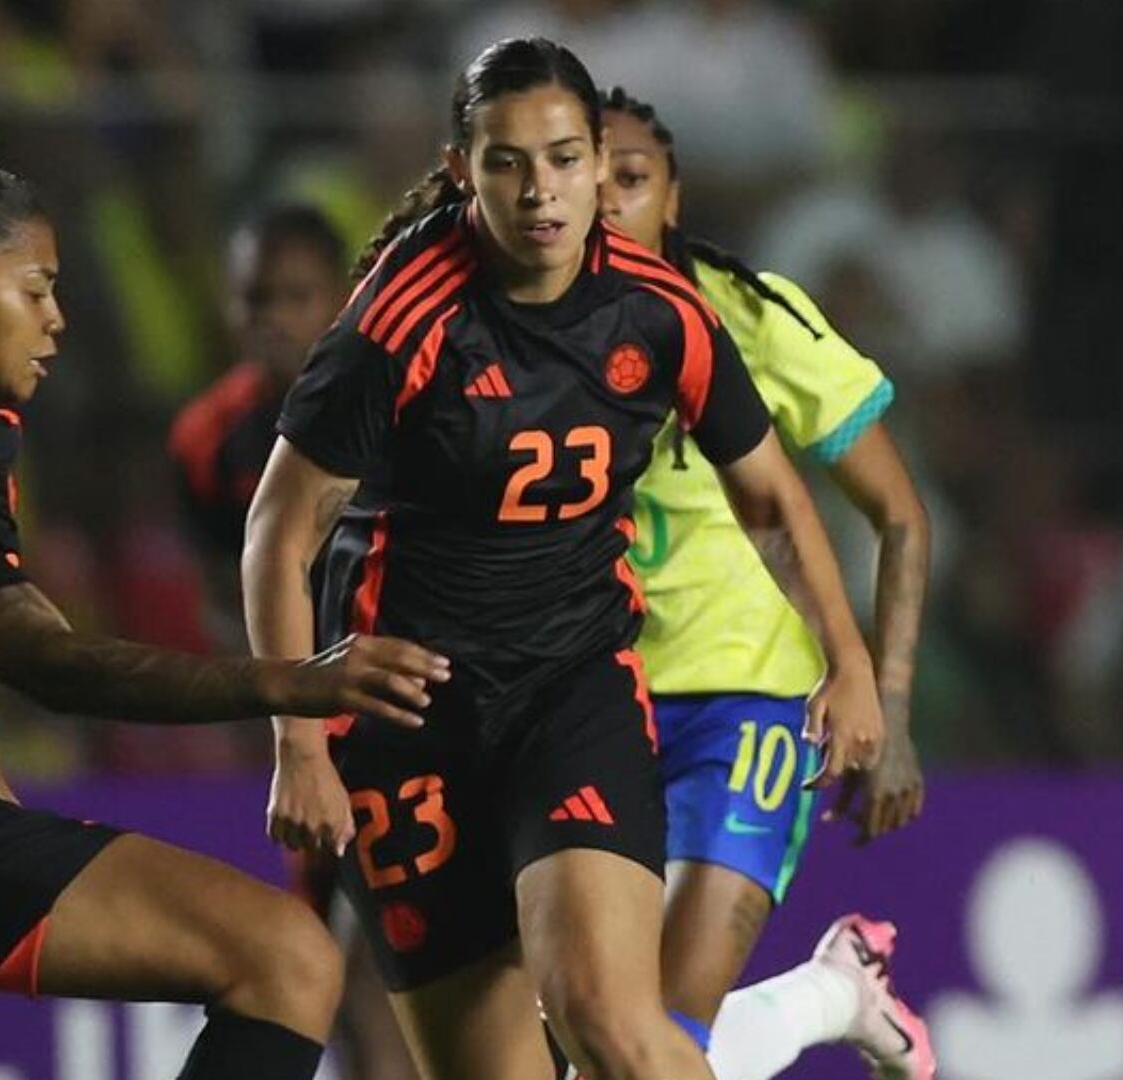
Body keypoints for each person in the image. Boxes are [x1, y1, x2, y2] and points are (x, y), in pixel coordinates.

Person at [243, 38, 883, 1080]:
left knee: (614, 1023)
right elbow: (280, 528)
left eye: (565, 158)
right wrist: (300, 744)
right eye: (507, 162)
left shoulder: (662, 310)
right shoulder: (402, 318)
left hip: (567, 694)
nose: (540, 190)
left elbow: (769, 497)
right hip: (403, 721)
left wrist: (847, 660)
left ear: (597, 161)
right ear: (462, 171)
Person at [0, 79, 448, 1080]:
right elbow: (53, 668)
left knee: (285, 958)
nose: (59, 318)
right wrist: (298, 682)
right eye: (36, 289)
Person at [597, 86, 935, 1080]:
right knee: (599, 1045)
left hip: (749, 703)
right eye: (590, 176)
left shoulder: (747, 314)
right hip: (586, 707)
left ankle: (830, 993)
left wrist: (891, 700)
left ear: (673, 196)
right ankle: (832, 992)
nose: (609, 201)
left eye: (634, 179)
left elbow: (900, 514)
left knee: (660, 1037)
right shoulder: (524, 335)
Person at [167, 203, 418, 1080]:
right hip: (315, 731)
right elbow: (213, 588)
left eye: (296, 294)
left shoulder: (399, 400)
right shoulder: (206, 439)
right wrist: (284, 684)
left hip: (421, 709)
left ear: (342, 298)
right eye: (254, 297)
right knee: (338, 957)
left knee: (413, 957)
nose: (273, 317)